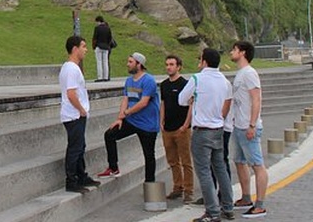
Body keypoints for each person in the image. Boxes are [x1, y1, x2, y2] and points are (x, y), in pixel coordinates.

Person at [179, 48, 234, 222]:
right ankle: (228, 207)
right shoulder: (224, 81)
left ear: (204, 61)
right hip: (218, 128)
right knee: (221, 169)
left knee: (204, 172)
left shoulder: (197, 78)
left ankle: (212, 212)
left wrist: (192, 100)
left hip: (202, 131)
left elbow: (181, 99)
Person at [96, 52, 160, 183]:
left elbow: (143, 102)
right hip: (132, 121)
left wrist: (126, 113)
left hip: (148, 125)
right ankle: (113, 168)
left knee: (149, 155)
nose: (127, 64)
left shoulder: (148, 80)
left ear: (139, 64)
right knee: (110, 135)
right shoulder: (129, 81)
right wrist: (120, 118)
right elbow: (125, 99)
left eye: (130, 62)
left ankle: (150, 185)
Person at [229, 41, 269, 218]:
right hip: (238, 125)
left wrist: (252, 124)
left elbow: (256, 99)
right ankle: (246, 197)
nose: (231, 52)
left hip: (248, 126)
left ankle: (260, 204)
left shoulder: (250, 73)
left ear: (242, 53)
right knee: (239, 161)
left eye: (234, 50)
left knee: (257, 165)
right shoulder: (240, 73)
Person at [59, 35, 100, 193]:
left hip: (76, 114)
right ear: (75, 49)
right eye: (83, 46)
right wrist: (81, 110)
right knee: (75, 148)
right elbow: (71, 93)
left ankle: (81, 175)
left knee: (80, 146)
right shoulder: (70, 68)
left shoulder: (72, 68)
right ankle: (71, 180)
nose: (86, 50)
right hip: (74, 115)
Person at [160, 54, 194, 203]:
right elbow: (163, 103)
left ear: (178, 66)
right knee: (172, 160)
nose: (169, 67)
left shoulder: (186, 84)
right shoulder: (164, 84)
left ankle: (188, 190)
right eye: (167, 64)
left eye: (172, 64)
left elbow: (191, 105)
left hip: (182, 128)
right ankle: (177, 187)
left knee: (186, 161)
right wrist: (161, 120)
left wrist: (186, 124)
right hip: (167, 128)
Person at [92, 15, 114, 82]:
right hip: (106, 47)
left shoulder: (97, 28)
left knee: (99, 62)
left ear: (98, 21)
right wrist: (107, 44)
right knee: (105, 62)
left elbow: (95, 38)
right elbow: (110, 38)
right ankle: (106, 77)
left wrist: (94, 46)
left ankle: (100, 77)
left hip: (99, 46)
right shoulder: (108, 28)